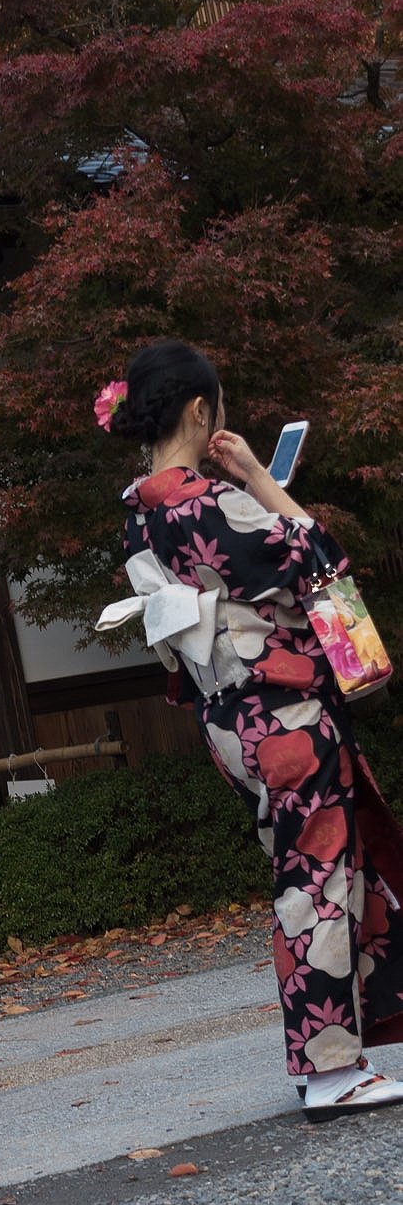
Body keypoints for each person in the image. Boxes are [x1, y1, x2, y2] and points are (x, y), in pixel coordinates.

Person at [97, 340, 403, 1121]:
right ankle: (331, 1067)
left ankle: (337, 1055)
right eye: (219, 406)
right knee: (317, 880)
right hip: (286, 715)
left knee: (315, 873)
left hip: (230, 721)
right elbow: (320, 561)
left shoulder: (141, 516)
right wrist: (264, 482)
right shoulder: (213, 504)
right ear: (202, 413)